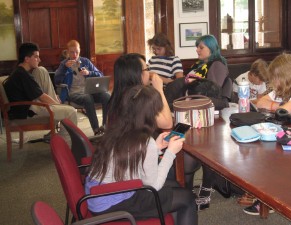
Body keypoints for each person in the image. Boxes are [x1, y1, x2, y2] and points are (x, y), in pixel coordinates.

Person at [85, 85, 197, 225]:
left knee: (174, 185)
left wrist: (156, 147)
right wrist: (170, 153)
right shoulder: (144, 142)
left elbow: (131, 159)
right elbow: (153, 186)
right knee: (188, 198)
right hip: (111, 202)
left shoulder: (119, 129)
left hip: (99, 194)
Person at [243, 53, 291, 215]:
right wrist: (280, 104)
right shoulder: (282, 89)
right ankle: (267, 197)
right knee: (260, 153)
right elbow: (261, 102)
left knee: (269, 155)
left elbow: (285, 111)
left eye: (275, 78)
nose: (272, 82)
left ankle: (270, 199)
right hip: (288, 133)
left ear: (284, 76)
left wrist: (277, 105)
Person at [183, 34, 233, 210]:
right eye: (197, 46)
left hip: (211, 113)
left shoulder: (217, 64)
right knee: (196, 150)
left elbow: (212, 92)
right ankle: (189, 192)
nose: (197, 49)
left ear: (211, 49)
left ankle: (205, 192)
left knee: (208, 154)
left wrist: (191, 96)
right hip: (196, 110)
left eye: (201, 47)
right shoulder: (199, 65)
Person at [3, 42, 77, 141]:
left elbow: (38, 93)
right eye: (36, 57)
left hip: (29, 106)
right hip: (28, 110)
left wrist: (55, 100)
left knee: (41, 69)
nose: (39, 59)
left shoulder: (20, 72)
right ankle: (65, 142)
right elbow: (41, 96)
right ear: (27, 59)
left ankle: (55, 136)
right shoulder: (23, 75)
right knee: (71, 111)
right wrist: (59, 106)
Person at [55, 40, 110, 135]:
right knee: (87, 98)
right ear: (68, 52)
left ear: (79, 51)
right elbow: (57, 80)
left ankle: (105, 126)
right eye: (72, 52)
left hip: (89, 90)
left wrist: (89, 73)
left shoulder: (85, 61)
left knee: (107, 96)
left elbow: (100, 74)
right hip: (73, 93)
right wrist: (64, 68)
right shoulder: (64, 64)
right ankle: (96, 130)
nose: (74, 54)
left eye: (76, 51)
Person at [107, 53, 173, 129]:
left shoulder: (117, 95)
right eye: (147, 69)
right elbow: (167, 124)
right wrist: (159, 90)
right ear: (137, 74)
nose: (150, 73)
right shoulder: (138, 97)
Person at [147, 33, 185, 110]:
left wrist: (157, 77)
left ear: (166, 47)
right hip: (149, 91)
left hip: (164, 92)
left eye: (159, 49)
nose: (156, 52)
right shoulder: (152, 59)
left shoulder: (174, 60)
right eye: (154, 49)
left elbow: (179, 82)